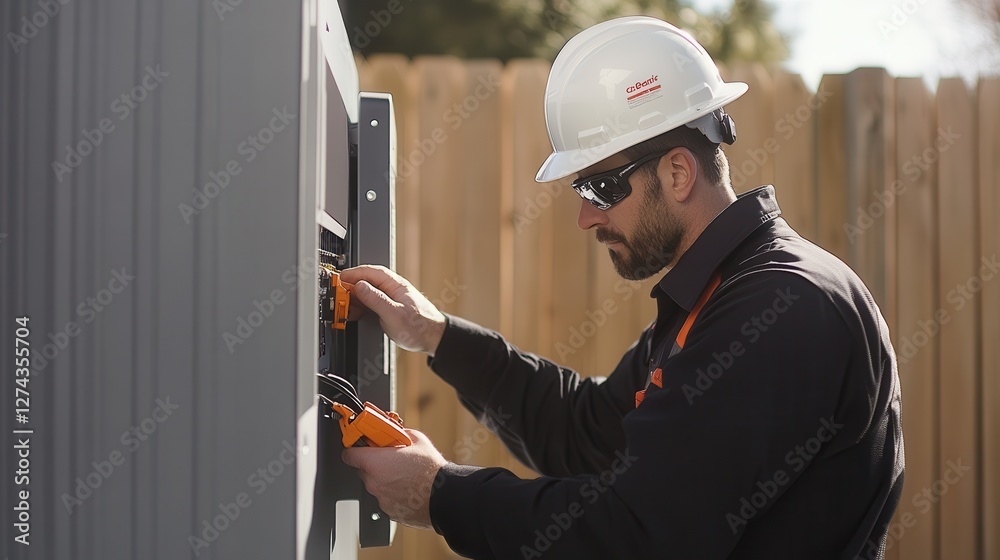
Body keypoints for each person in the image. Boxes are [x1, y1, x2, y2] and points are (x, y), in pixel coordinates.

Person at [341, 16, 903, 560]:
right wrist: (433, 334)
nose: (587, 217)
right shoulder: (717, 298)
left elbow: (640, 535)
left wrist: (441, 496)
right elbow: (584, 433)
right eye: (581, 190)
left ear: (679, 173)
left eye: (603, 187)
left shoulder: (782, 306)